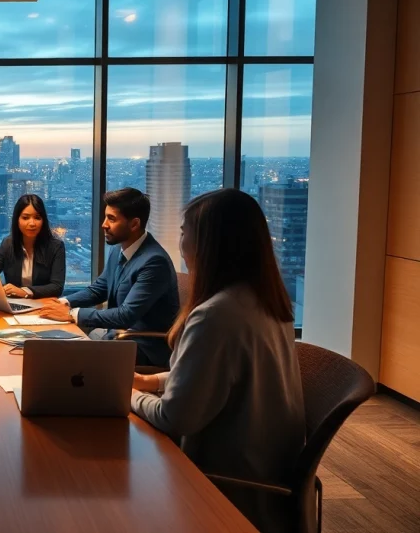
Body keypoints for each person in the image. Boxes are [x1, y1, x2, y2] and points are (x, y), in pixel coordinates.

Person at [130, 189, 305, 533]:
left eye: (184, 232)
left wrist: (126, 396)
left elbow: (173, 418)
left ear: (209, 244)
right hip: (262, 467)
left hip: (220, 484)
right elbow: (224, 373)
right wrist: (152, 381)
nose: (179, 241)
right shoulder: (267, 301)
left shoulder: (215, 315)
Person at [37, 188, 179, 368]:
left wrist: (72, 314)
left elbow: (126, 316)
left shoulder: (154, 262)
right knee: (50, 339)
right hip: (118, 336)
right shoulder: (118, 249)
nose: (104, 224)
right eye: (105, 217)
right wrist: (63, 303)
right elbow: (99, 289)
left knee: (62, 358)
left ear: (134, 224)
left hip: (143, 348)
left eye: (111, 219)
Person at [0, 194, 66, 299]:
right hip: (14, 303)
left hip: (43, 304)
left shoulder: (56, 247)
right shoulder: (8, 244)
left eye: (37, 217)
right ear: (17, 220)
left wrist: (24, 292)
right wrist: (3, 289)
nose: (32, 223)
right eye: (25, 218)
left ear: (43, 220)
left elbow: (57, 287)